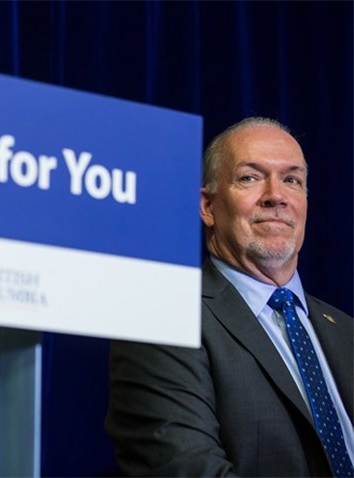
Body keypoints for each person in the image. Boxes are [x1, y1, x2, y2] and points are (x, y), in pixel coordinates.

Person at [105, 117, 353, 477]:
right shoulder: (163, 315)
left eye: (292, 180)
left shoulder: (346, 332)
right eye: (250, 177)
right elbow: (185, 467)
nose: (276, 196)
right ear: (207, 207)